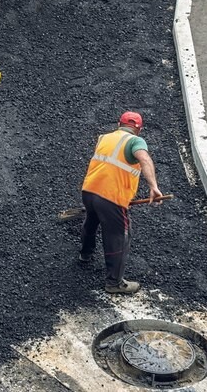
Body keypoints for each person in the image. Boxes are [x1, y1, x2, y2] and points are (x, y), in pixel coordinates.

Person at [79, 111, 163, 294]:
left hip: (89, 191)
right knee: (119, 236)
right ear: (138, 129)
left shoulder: (104, 138)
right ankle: (114, 283)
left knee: (91, 222)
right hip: (111, 198)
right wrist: (153, 186)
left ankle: (85, 254)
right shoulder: (135, 141)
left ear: (119, 124)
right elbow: (144, 159)